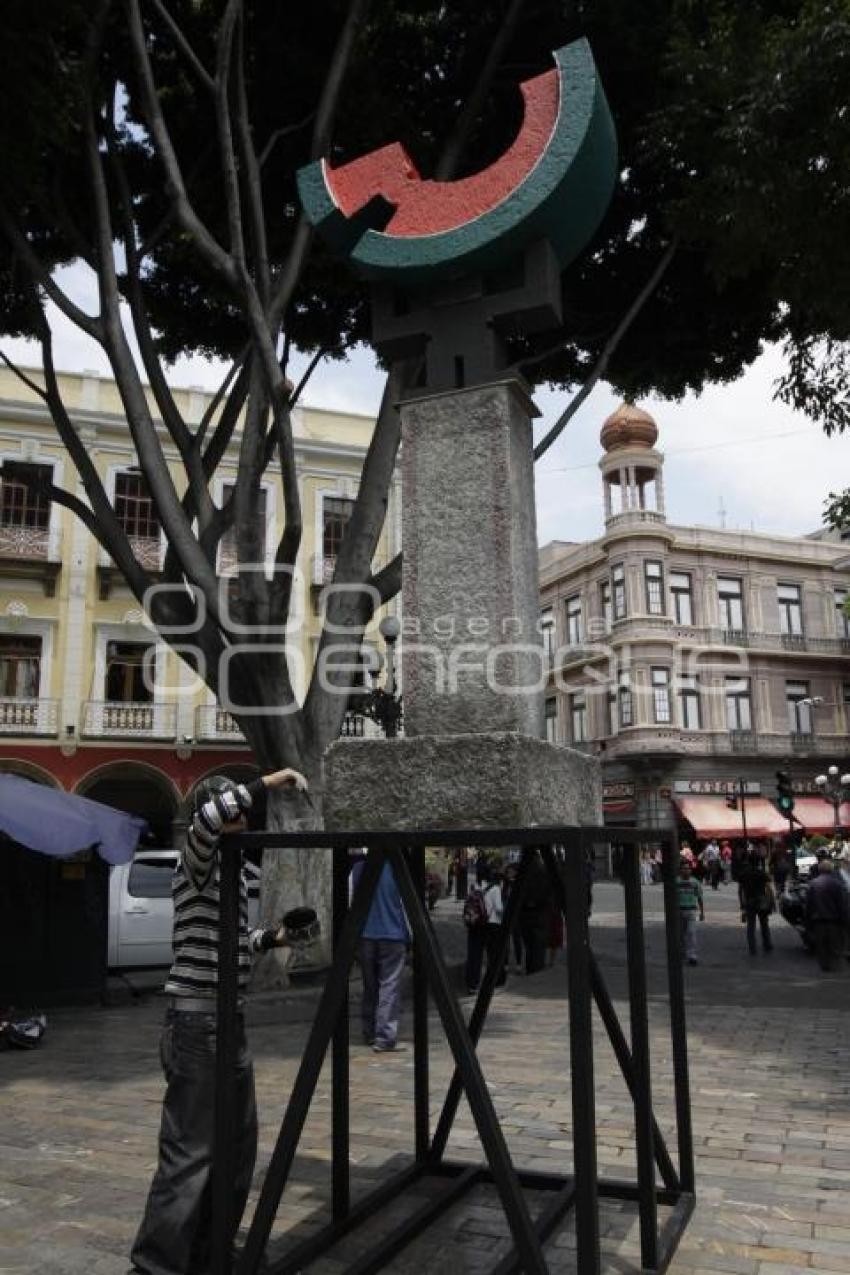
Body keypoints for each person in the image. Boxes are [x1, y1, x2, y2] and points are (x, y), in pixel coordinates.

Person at [129, 767, 307, 1275]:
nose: (243, 815)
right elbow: (208, 817)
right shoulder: (197, 860)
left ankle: (211, 1248)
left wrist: (275, 938)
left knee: (237, 1145)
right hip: (196, 1023)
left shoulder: (239, 871)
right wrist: (271, 779)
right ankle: (154, 1265)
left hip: (231, 1021)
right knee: (189, 1151)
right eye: (237, 809)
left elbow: (236, 938)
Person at [351, 852, 410, 1052]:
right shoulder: (399, 868)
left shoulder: (359, 868)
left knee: (370, 986)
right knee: (389, 986)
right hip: (393, 934)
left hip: (366, 934)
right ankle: (384, 1036)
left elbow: (350, 902)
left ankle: (369, 1031)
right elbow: (407, 905)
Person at [805, 858, 850, 972]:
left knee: (821, 945)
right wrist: (845, 919)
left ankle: (824, 966)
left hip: (818, 920)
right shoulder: (837, 884)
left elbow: (809, 904)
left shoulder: (813, 884)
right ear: (831, 870)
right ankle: (834, 966)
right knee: (834, 944)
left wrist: (808, 921)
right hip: (833, 920)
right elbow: (841, 904)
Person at [518, 848, 549, 975]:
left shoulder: (524, 870)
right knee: (537, 947)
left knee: (530, 946)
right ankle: (536, 971)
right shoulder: (542, 870)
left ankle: (531, 970)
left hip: (526, 913)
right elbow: (548, 893)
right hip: (539, 913)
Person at [737, 850, 774, 956]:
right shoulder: (761, 873)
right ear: (758, 862)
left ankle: (752, 948)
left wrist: (742, 905)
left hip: (749, 901)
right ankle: (767, 944)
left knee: (751, 927)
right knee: (764, 924)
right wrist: (771, 902)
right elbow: (769, 888)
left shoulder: (744, 873)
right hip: (761, 900)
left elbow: (740, 891)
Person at [676, 858, 704, 965]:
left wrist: (702, 912)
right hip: (679, 910)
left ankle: (692, 955)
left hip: (691, 910)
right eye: (684, 868)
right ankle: (682, 953)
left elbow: (700, 897)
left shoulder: (695, 882)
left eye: (688, 868)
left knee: (691, 933)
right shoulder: (676, 881)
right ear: (680, 870)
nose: (686, 870)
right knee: (680, 934)